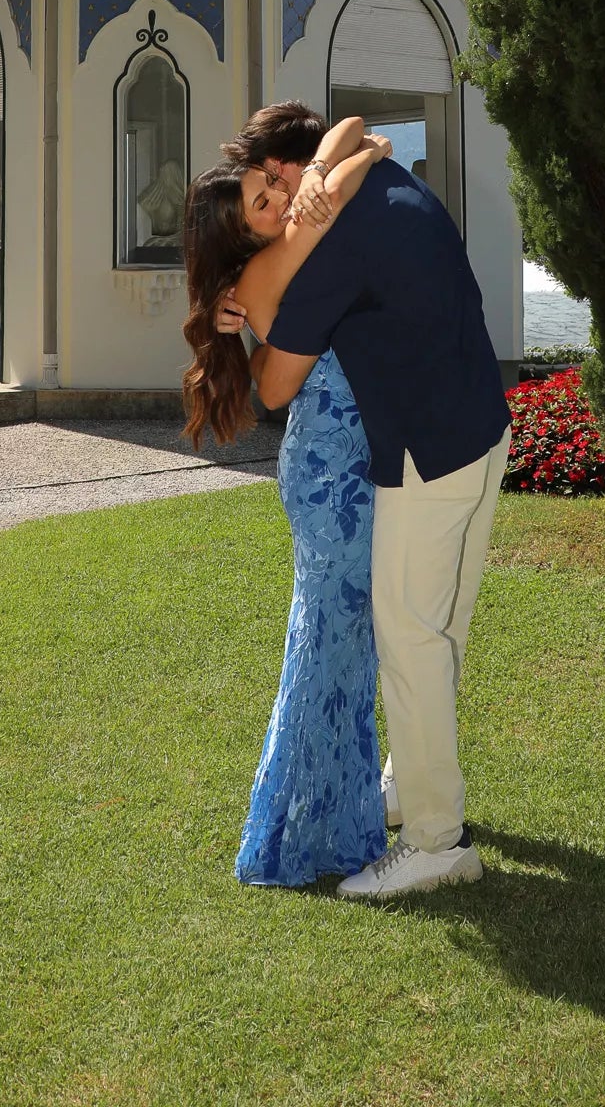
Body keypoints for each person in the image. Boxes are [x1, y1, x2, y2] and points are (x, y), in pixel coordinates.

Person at [218, 100, 510, 901]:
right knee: (440, 630)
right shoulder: (383, 179)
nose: (277, 208)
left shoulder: (329, 245)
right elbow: (355, 129)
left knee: (410, 641)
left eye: (269, 188)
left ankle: (432, 842)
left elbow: (275, 388)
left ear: (288, 172)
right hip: (484, 426)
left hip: (428, 452)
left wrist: (240, 335)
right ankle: (405, 789)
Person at [182, 110, 392, 887]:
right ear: (245, 238)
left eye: (271, 183)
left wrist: (357, 143)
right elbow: (334, 179)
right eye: (263, 203)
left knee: (336, 649)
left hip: (340, 466)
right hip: (330, 477)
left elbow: (337, 142)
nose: (281, 195)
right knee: (328, 653)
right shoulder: (276, 260)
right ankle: (308, 839)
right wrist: (368, 152)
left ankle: (331, 820)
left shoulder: (282, 256)